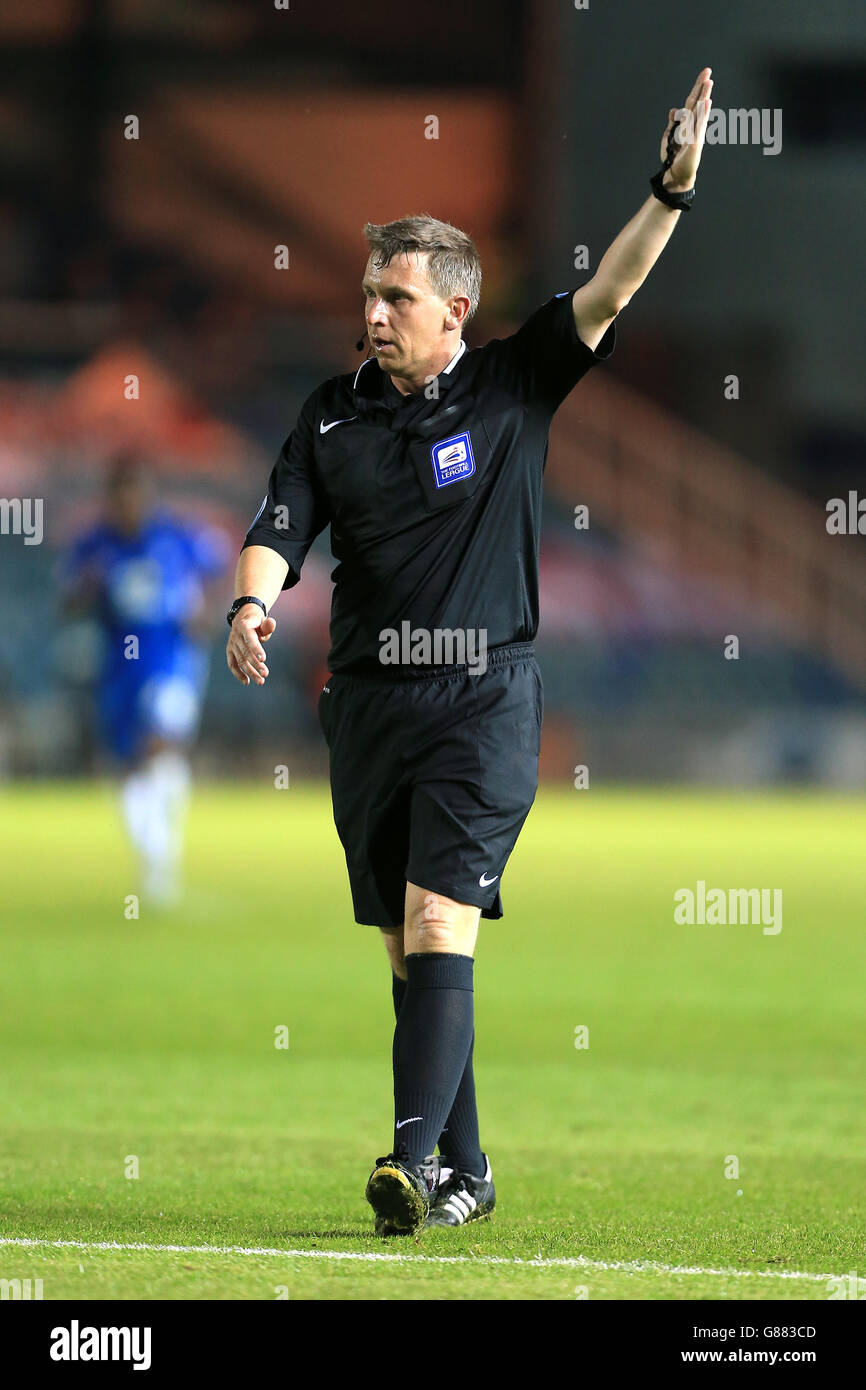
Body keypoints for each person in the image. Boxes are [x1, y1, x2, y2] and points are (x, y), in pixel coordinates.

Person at [226, 71, 713, 1234]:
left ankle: (403, 1166)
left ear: (454, 311)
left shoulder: (509, 385)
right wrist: (248, 609)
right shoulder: (328, 415)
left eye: (396, 295)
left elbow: (610, 289)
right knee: (408, 950)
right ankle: (468, 1172)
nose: (375, 312)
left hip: (483, 697)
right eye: (368, 294)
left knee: (440, 921)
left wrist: (668, 191)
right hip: (368, 708)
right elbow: (275, 527)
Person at [63, 457, 229, 906]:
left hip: (171, 660)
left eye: (136, 493)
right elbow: (68, 602)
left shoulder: (178, 535)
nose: (129, 504)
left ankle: (163, 866)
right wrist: (86, 589)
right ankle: (155, 863)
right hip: (118, 667)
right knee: (130, 766)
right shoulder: (93, 544)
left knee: (161, 740)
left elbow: (218, 573)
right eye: (120, 496)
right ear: (110, 500)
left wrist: (207, 612)